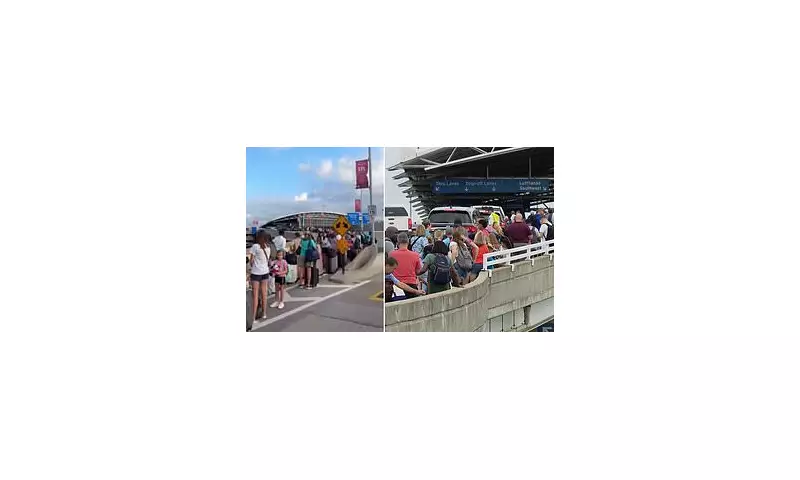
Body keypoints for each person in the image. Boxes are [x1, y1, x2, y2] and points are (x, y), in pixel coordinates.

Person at [389, 233, 423, 299]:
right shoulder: (415, 255)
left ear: (397, 242)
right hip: (411, 285)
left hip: (396, 285)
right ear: (408, 242)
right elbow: (418, 272)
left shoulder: (391, 254)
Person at [247, 230, 270, 320]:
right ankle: (264, 313)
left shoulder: (255, 246)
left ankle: (253, 317)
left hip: (256, 273)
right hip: (265, 272)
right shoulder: (268, 246)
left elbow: (251, 261)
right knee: (264, 293)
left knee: (255, 295)